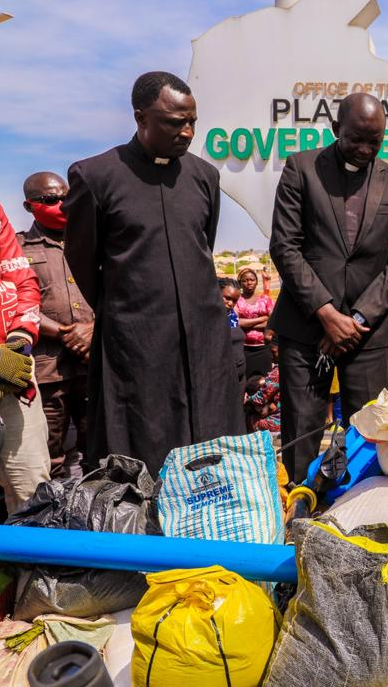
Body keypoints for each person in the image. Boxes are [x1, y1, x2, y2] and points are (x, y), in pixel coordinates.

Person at [64, 71, 243, 477]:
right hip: (136, 343)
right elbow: (83, 261)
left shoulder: (204, 177)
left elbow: (202, 249)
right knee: (143, 449)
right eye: (174, 122)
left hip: (203, 340)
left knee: (210, 445)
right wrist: (131, 308)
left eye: (192, 121)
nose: (187, 132)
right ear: (141, 118)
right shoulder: (95, 176)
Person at [270, 92, 388, 479]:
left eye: (376, 141)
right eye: (356, 139)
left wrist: (354, 319)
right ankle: (299, 509)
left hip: (366, 335)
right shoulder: (301, 168)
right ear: (336, 130)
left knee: (366, 436)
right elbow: (284, 247)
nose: (366, 149)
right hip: (305, 329)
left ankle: (355, 515)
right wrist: (326, 313)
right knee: (302, 433)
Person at [17, 172, 93, 480]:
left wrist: (93, 328)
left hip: (93, 366)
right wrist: (64, 333)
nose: (61, 204)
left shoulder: (91, 241)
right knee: (50, 456)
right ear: (29, 205)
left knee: (100, 451)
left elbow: (119, 292)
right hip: (48, 372)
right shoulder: (18, 249)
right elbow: (17, 303)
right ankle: (55, 522)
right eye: (50, 199)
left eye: (66, 197)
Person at [0, 187, 49, 513]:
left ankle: (31, 564)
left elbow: (23, 279)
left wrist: (20, 341)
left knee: (33, 492)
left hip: (13, 376)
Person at [235, 266, 274, 379]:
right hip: (244, 349)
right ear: (240, 283)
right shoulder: (237, 301)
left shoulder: (266, 300)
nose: (249, 282)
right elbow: (237, 323)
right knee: (246, 380)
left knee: (265, 381)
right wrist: (262, 319)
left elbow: (272, 321)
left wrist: (247, 324)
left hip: (264, 348)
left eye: (252, 279)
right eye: (245, 280)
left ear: (257, 282)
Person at [219, 278, 247, 388]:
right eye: (227, 298)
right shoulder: (210, 320)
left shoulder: (232, 316)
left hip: (239, 380)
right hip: (223, 381)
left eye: (235, 300)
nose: (231, 303)